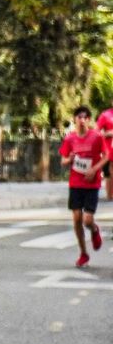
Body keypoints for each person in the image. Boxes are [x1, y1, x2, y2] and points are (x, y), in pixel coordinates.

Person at [61, 106, 107, 267]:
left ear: (88, 120)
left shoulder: (96, 137)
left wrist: (95, 169)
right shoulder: (69, 139)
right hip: (75, 183)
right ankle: (83, 253)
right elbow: (63, 160)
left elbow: (107, 155)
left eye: (84, 117)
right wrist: (70, 159)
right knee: (76, 219)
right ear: (74, 119)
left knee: (87, 220)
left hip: (92, 184)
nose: (81, 120)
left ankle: (94, 230)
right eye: (78, 117)